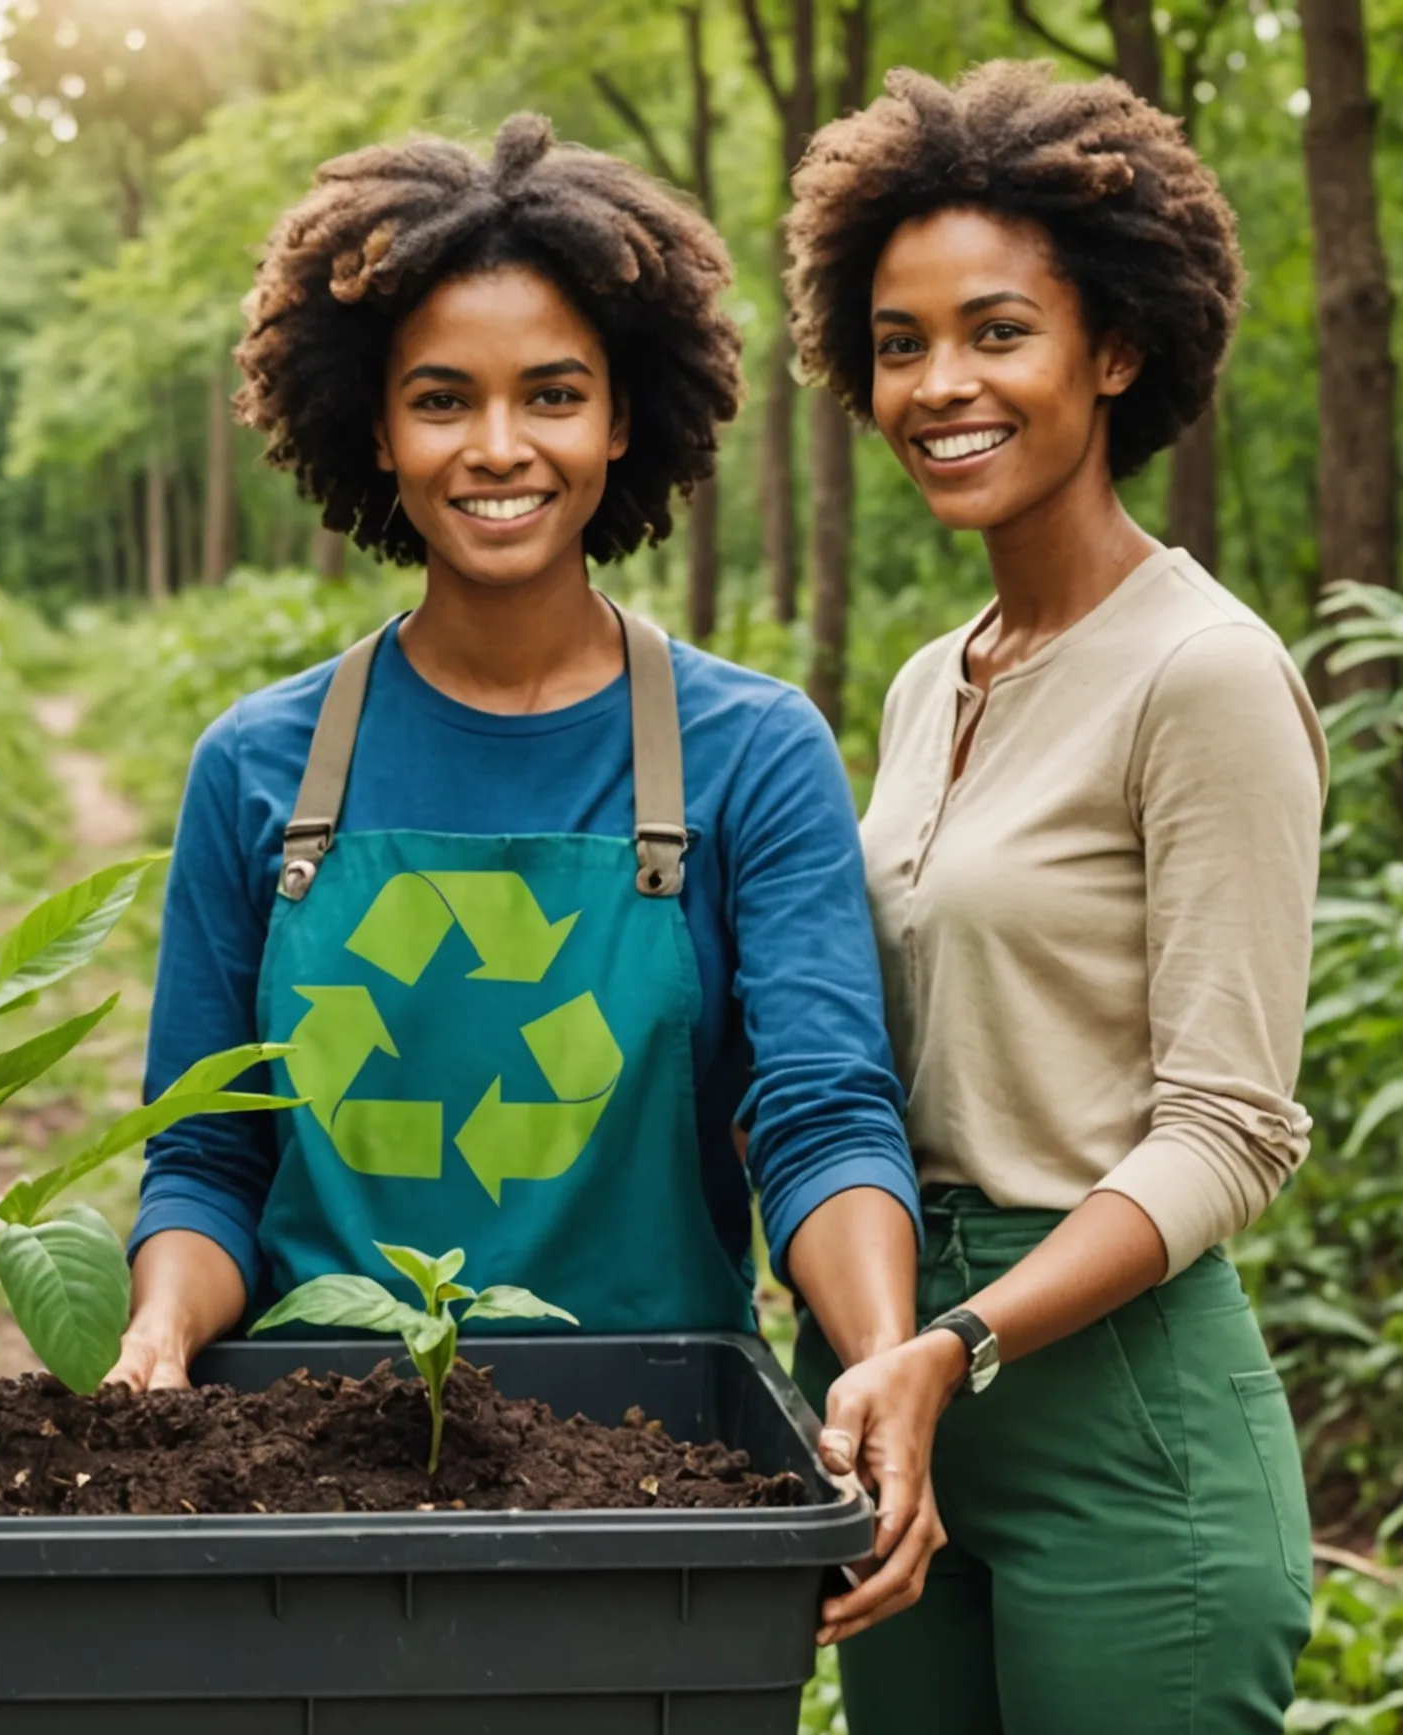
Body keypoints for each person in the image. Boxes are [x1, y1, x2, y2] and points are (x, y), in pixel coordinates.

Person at [108, 116, 934, 1640]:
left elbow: (818, 1113)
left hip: (653, 1479)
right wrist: (160, 1327)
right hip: (309, 1479)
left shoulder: (752, 750)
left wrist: (879, 1345)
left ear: (624, 419)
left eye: (552, 394)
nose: (500, 447)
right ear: (373, 429)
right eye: (444, 400)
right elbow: (210, 1160)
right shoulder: (257, 765)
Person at [785, 63, 1323, 1732]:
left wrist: (961, 1344)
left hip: (1114, 1413)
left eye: (997, 331)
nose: (942, 383)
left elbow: (1228, 1129)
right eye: (899, 343)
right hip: (891, 1386)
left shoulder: (1205, 672)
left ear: (1115, 348)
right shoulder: (926, 681)